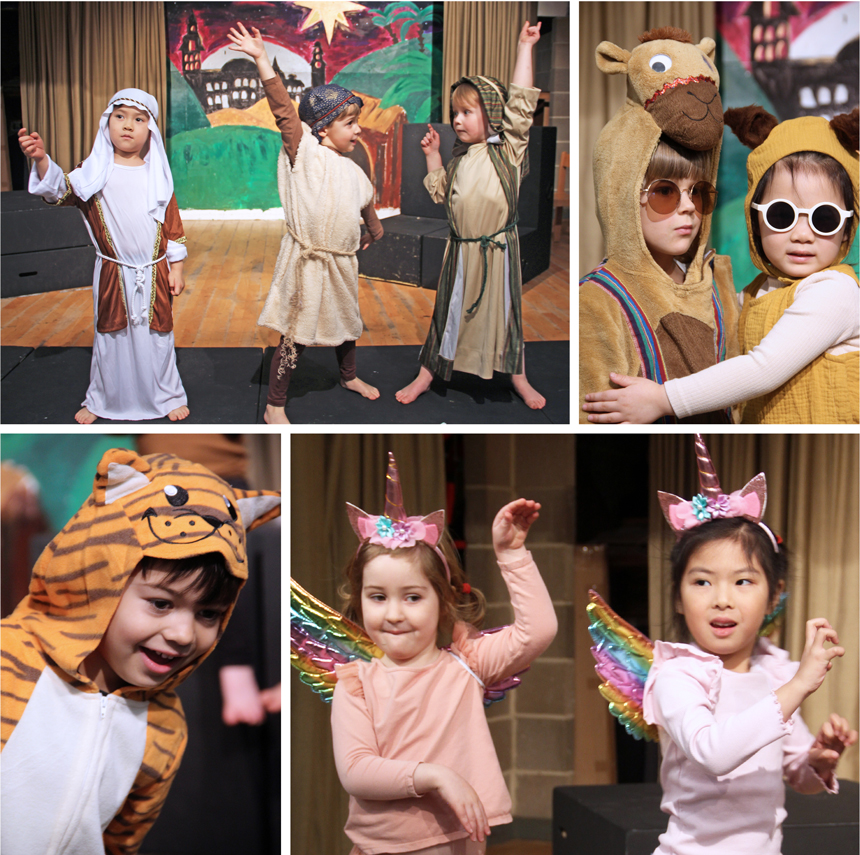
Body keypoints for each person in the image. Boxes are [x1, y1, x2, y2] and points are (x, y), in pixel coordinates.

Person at [0, 448, 281, 855]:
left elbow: (122, 842)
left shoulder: (164, 728)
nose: (184, 634)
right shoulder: (10, 657)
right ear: (96, 577)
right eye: (161, 603)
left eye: (207, 613)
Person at [331, 454, 557, 853]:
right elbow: (355, 770)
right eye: (378, 597)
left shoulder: (466, 662)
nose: (394, 613)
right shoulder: (356, 683)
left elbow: (538, 630)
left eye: (413, 597)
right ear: (360, 600)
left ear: (443, 600)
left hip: (458, 842)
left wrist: (511, 556)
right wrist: (436, 776)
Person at [643, 435, 856, 855]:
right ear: (678, 600)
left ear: (773, 596)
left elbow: (794, 773)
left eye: (743, 581)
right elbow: (714, 752)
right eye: (702, 581)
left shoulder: (772, 672)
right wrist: (799, 686)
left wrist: (818, 761)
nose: (722, 598)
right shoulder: (677, 675)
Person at [583, 107, 859, 424]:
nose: (801, 235)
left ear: (846, 231)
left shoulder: (835, 291)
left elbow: (763, 368)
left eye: (825, 219)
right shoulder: (759, 291)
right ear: (755, 218)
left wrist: (663, 398)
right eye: (781, 215)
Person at [578, 28, 739, 424]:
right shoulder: (598, 301)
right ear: (624, 193)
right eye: (666, 192)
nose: (688, 208)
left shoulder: (715, 281)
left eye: (699, 192)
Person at [226, 22, 384, 425]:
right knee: (295, 334)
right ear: (323, 127)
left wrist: (374, 231)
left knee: (348, 324)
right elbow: (282, 110)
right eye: (349, 123)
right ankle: (274, 404)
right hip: (308, 262)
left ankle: (349, 376)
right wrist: (262, 59)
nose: (357, 130)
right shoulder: (305, 153)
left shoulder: (354, 170)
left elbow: (366, 204)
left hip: (342, 262)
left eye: (356, 122)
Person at [396, 21, 546, 410]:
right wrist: (432, 155)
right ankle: (427, 373)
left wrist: (525, 47)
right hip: (462, 252)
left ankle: (518, 376)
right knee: (448, 311)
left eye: (467, 112)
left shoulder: (508, 151)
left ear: (492, 114)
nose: (457, 120)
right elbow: (440, 191)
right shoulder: (460, 158)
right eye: (454, 113)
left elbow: (522, 101)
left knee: (507, 314)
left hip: (498, 251)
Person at [18, 90, 190, 424]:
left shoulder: (158, 174)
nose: (129, 126)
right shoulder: (93, 172)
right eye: (120, 116)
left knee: (158, 337)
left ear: (150, 129)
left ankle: (166, 394)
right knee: (112, 338)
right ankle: (102, 399)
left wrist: (177, 267)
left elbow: (173, 226)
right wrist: (41, 159)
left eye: (139, 119)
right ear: (107, 122)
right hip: (114, 272)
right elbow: (59, 191)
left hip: (154, 272)